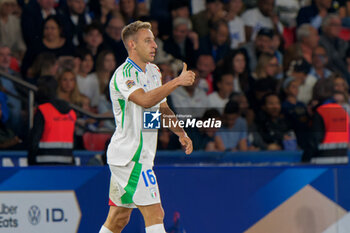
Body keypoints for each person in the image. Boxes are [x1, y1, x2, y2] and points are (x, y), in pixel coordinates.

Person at [99, 20, 195, 233]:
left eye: (154, 40)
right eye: (148, 41)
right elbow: (144, 100)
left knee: (118, 219)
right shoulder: (124, 74)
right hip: (131, 156)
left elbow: (162, 107)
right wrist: (176, 82)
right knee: (156, 213)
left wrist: (181, 133)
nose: (155, 46)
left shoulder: (153, 71)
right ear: (132, 45)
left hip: (135, 156)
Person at [27, 76, 77, 165]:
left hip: (43, 163)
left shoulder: (42, 110)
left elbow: (34, 139)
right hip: (66, 161)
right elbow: (74, 139)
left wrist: (30, 161)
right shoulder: (71, 112)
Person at [302, 78, 349, 164]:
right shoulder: (342, 111)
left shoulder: (321, 111)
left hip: (322, 160)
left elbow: (315, 141)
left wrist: (304, 160)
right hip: (342, 159)